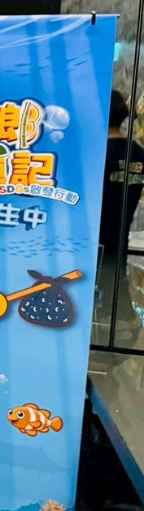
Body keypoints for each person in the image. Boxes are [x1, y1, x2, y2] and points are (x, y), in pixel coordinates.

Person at [96, 88, 144, 342]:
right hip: (120, 231)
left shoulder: (93, 153)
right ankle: (118, 329)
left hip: (92, 235)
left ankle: (102, 332)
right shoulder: (137, 153)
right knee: (114, 282)